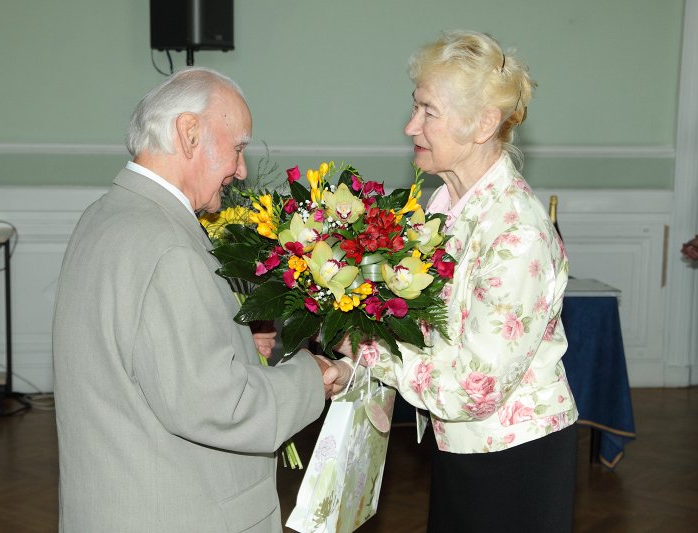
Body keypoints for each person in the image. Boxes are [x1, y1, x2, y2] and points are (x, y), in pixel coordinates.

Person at [52, 67, 342, 532]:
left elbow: (141, 360)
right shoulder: (165, 243)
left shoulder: (105, 214)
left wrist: (240, 342)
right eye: (239, 147)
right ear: (189, 134)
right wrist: (314, 374)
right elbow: (218, 406)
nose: (241, 169)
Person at [332, 31, 579, 532]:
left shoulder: (516, 233)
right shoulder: (443, 207)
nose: (410, 127)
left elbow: (474, 388)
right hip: (463, 444)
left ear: (484, 123)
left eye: (428, 112)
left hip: (513, 458)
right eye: (414, 107)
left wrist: (366, 351)